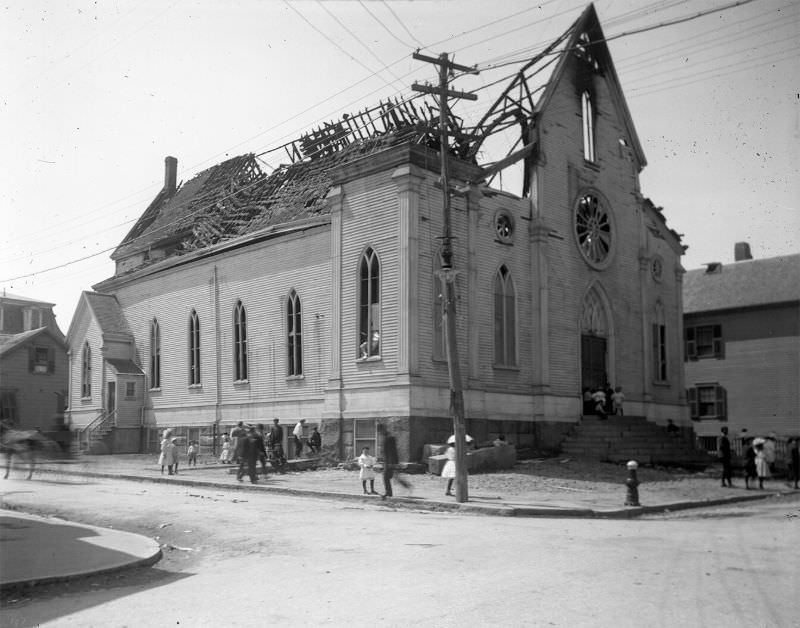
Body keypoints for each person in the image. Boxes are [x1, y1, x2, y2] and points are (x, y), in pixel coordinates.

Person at [377, 424, 410, 498]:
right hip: (387, 461)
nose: (380, 433)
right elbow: (385, 451)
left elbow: (393, 451)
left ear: (383, 429)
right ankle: (407, 486)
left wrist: (392, 463)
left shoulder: (390, 437)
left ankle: (389, 492)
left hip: (390, 462)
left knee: (386, 477)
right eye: (379, 431)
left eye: (380, 431)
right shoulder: (385, 437)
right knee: (393, 477)